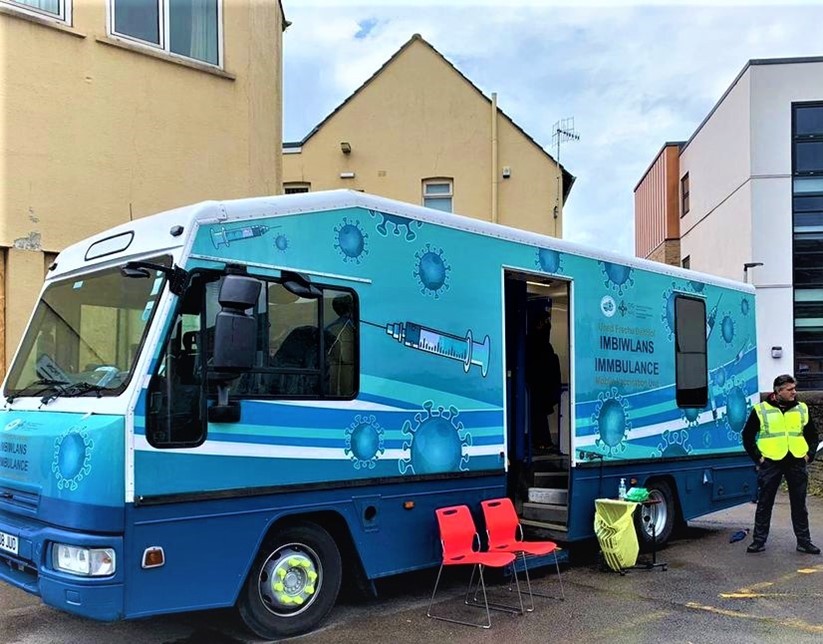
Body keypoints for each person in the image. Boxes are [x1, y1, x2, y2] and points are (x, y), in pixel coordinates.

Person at [742, 374, 819, 554]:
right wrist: (759, 458)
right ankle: (759, 541)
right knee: (765, 503)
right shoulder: (761, 410)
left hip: (796, 461)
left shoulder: (802, 409)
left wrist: (809, 455)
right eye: (790, 389)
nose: (794, 392)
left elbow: (812, 436)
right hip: (771, 462)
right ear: (778, 391)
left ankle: (804, 542)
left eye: (794, 388)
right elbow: (747, 436)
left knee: (799, 504)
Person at [525, 301, 561, 453]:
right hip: (539, 386)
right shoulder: (540, 344)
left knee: (538, 414)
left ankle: (541, 441)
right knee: (538, 415)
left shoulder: (536, 343)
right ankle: (542, 441)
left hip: (539, 386)